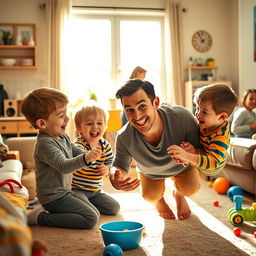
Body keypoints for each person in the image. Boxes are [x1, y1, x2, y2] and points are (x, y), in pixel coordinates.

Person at [110, 79, 201, 220]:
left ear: (156, 103)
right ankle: (159, 201)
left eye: (142, 106)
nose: (137, 116)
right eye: (129, 110)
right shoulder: (124, 136)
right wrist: (115, 175)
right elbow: (119, 165)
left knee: (192, 188)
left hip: (181, 168)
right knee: (150, 196)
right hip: (150, 173)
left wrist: (192, 151)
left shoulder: (183, 117)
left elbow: (200, 151)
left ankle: (178, 194)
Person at [21, 87, 105, 229]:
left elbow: (73, 149)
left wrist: (88, 154)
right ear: (42, 123)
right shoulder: (45, 144)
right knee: (90, 218)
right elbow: (64, 166)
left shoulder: (61, 135)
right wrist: (85, 158)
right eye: (61, 116)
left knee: (95, 212)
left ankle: (46, 214)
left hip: (65, 192)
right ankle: (41, 218)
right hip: (52, 198)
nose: (67, 118)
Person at [167, 84, 238, 176]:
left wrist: (187, 156)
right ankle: (191, 154)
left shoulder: (220, 138)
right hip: (203, 150)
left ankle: (190, 157)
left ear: (222, 116)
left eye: (204, 112)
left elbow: (213, 163)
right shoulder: (208, 122)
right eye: (197, 108)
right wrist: (170, 110)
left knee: (188, 155)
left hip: (212, 166)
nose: (198, 114)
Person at [72, 105, 120, 216]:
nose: (95, 127)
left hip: (96, 191)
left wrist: (107, 169)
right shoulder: (78, 145)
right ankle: (85, 207)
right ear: (79, 128)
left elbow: (110, 163)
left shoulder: (105, 145)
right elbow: (77, 157)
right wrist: (89, 156)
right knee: (84, 207)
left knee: (114, 208)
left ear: (105, 126)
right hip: (76, 190)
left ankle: (89, 207)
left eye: (99, 123)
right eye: (89, 123)